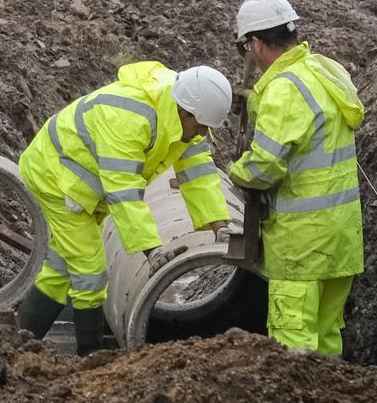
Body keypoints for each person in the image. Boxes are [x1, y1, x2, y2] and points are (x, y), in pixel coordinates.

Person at [13, 62, 233, 355]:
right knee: (90, 271)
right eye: (201, 126)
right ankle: (91, 357)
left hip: (86, 183)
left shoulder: (187, 111)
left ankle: (17, 342)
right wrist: (151, 249)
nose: (202, 134)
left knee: (62, 267)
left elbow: (199, 171)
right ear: (184, 111)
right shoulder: (130, 118)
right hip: (57, 176)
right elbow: (123, 190)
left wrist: (219, 224)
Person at [228, 0, 365, 356]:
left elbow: (264, 167)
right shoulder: (325, 70)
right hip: (341, 238)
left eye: (247, 47)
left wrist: (234, 172)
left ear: (256, 43)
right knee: (327, 336)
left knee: (293, 343)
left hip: (301, 246)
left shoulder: (284, 90)